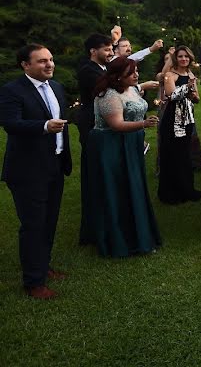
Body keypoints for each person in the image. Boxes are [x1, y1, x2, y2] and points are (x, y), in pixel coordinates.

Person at [0, 45, 72, 299]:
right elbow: (10, 123)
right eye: (42, 61)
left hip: (55, 165)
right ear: (25, 65)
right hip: (28, 170)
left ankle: (43, 265)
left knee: (49, 221)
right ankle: (33, 282)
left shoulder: (57, 88)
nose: (50, 64)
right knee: (33, 225)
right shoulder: (12, 90)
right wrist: (43, 125)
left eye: (51, 59)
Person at [85, 57, 161, 257]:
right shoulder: (108, 95)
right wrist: (143, 125)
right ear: (118, 76)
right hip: (111, 145)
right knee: (117, 188)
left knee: (134, 185)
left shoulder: (133, 89)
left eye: (136, 71)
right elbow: (116, 125)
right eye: (131, 72)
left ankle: (138, 231)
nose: (136, 75)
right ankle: (119, 238)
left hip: (131, 142)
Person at [76, 33, 113, 243]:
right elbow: (110, 89)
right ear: (93, 51)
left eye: (111, 49)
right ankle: (95, 226)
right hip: (92, 126)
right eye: (106, 49)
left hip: (104, 123)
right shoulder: (88, 71)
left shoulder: (103, 68)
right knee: (96, 173)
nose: (110, 53)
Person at [158, 46, 201, 204]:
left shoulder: (190, 74)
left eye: (186, 57)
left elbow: (197, 98)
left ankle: (187, 188)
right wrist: (188, 88)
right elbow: (171, 95)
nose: (184, 59)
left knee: (185, 153)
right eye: (180, 56)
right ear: (175, 58)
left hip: (187, 117)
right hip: (173, 118)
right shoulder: (170, 75)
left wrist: (192, 92)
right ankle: (173, 191)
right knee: (173, 153)